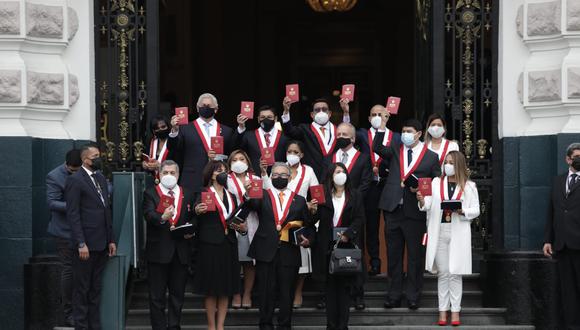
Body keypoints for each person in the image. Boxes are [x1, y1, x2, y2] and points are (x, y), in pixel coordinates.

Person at [372, 119, 440, 310]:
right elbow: (377, 147)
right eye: (403, 131)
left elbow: (436, 183)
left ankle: (413, 296)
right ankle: (393, 295)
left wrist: (422, 191)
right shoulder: (395, 148)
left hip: (415, 212)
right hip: (393, 209)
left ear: (419, 133)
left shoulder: (431, 157)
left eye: (409, 131)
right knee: (393, 256)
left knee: (415, 257)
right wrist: (382, 126)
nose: (405, 134)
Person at [247, 162, 314, 330]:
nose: (279, 177)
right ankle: (265, 324)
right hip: (265, 250)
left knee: (287, 293)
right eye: (275, 174)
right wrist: (249, 193)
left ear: (290, 177)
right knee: (265, 292)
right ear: (270, 177)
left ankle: (285, 325)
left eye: (283, 175)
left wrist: (308, 239)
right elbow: (251, 206)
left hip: (289, 251)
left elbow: (309, 226)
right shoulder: (262, 195)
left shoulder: (299, 200)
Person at [417, 151, 480, 326]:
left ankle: (455, 311)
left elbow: (476, 209)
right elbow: (427, 205)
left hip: (458, 231)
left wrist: (462, 211)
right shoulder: (436, 183)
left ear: (458, 164)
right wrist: (421, 200)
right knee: (444, 273)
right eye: (446, 162)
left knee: (455, 273)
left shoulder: (469, 186)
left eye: (451, 162)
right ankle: (442, 311)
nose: (448, 165)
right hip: (440, 230)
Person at [65, 143, 116, 329]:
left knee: (95, 289)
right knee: (82, 289)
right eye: (95, 156)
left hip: (102, 244)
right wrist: (80, 242)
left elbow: (105, 210)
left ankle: (95, 326)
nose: (98, 158)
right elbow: (73, 214)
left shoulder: (101, 177)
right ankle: (81, 326)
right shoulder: (75, 180)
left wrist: (111, 239)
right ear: (85, 159)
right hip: (85, 246)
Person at [264, 141, 320, 308]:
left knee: (298, 260)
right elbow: (266, 194)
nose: (292, 153)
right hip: (276, 218)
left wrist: (311, 204)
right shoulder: (278, 169)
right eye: (289, 151)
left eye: (296, 151)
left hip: (298, 215)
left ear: (302, 154)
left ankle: (297, 292)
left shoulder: (308, 170)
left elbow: (317, 192)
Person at [143, 160, 195, 330]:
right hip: (158, 252)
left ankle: (174, 326)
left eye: (173, 173)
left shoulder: (187, 193)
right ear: (159, 174)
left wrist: (191, 230)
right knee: (156, 296)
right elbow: (149, 215)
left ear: (178, 175)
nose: (169, 176)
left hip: (181, 252)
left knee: (177, 295)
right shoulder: (151, 193)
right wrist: (163, 217)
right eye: (165, 172)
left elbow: (194, 216)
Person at [311, 163, 364, 330]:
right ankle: (331, 325)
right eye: (337, 172)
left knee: (344, 290)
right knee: (330, 290)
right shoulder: (323, 195)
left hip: (347, 248)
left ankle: (343, 326)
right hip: (327, 247)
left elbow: (360, 218)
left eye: (343, 171)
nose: (341, 174)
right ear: (330, 176)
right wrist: (311, 210)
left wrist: (349, 233)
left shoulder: (355, 195)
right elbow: (312, 221)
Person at [192, 160, 244, 330]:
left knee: (225, 288)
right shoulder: (203, 193)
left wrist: (241, 228)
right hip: (209, 245)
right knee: (211, 288)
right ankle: (211, 326)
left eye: (224, 170)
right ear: (211, 174)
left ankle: (221, 326)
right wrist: (197, 211)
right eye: (218, 170)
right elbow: (194, 215)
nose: (222, 173)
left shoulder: (232, 196)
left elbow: (237, 219)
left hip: (229, 244)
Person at [330, 122, 372, 310]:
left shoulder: (363, 158)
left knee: (355, 253)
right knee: (331, 253)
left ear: (353, 138)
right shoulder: (329, 158)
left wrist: (351, 200)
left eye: (344, 134)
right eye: (338, 134)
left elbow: (366, 182)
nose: (340, 137)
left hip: (353, 211)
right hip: (333, 210)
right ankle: (329, 294)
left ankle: (357, 294)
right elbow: (325, 181)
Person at [356, 105, 400, 275]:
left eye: (380, 114)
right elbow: (348, 133)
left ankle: (393, 265)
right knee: (372, 226)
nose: (377, 117)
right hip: (370, 187)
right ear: (368, 118)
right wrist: (345, 112)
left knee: (391, 226)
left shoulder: (396, 137)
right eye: (373, 114)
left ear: (387, 116)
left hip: (388, 184)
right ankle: (374, 262)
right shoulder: (361, 134)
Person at [168, 93, 238, 194]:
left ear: (216, 109)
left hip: (218, 181)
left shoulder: (227, 131)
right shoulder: (184, 128)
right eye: (203, 106)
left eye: (209, 106)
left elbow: (231, 154)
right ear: (197, 108)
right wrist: (174, 130)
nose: (206, 108)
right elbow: (173, 148)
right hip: (192, 180)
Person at [543, 142, 580, 329]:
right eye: (576, 157)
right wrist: (548, 240)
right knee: (568, 292)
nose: (578, 160)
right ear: (568, 159)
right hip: (562, 245)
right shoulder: (558, 181)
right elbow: (552, 211)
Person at [46, 148, 82, 326]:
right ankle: (69, 312)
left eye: (78, 170)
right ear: (67, 165)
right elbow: (52, 202)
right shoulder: (54, 176)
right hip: (65, 232)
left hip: (85, 231)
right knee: (68, 270)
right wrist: (75, 206)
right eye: (72, 171)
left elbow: (106, 187)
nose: (75, 174)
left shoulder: (89, 170)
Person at [225, 150, 261, 309]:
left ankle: (247, 293)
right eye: (234, 159)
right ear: (230, 163)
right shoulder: (224, 179)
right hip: (232, 224)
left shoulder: (256, 179)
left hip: (252, 223)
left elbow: (262, 203)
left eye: (241, 159)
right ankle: (236, 294)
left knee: (248, 262)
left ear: (247, 162)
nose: (238, 162)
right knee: (233, 262)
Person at [281, 97, 350, 175]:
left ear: (330, 113)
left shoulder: (338, 130)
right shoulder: (304, 129)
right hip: (312, 174)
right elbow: (289, 131)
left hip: (334, 174)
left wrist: (346, 112)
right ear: (312, 115)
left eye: (324, 109)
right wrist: (286, 111)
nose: (321, 112)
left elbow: (347, 131)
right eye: (317, 110)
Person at [237, 105, 288, 174]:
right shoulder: (248, 136)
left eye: (269, 117)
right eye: (262, 117)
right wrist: (241, 127)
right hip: (255, 177)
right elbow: (236, 148)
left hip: (277, 177)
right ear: (258, 119)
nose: (266, 120)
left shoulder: (284, 137)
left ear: (275, 119)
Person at [142, 115, 173, 183]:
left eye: (163, 127)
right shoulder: (151, 142)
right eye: (157, 128)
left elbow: (178, 162)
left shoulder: (174, 142)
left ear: (168, 126)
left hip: (170, 180)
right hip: (153, 182)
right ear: (153, 131)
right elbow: (146, 157)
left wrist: (161, 166)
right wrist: (145, 164)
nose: (160, 130)